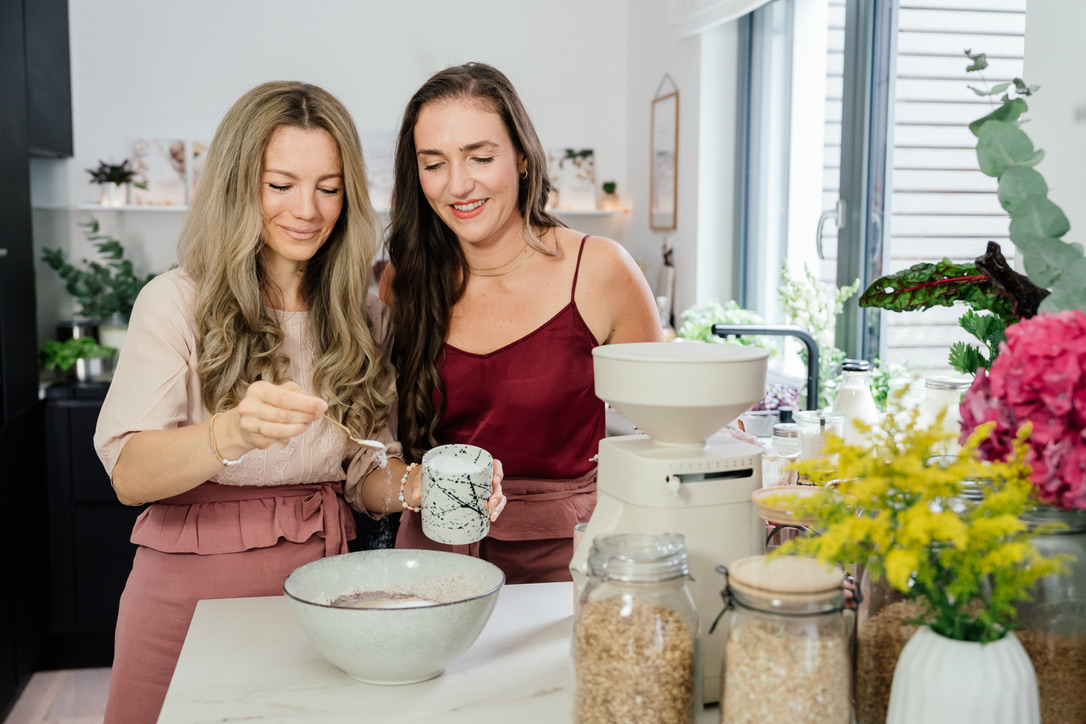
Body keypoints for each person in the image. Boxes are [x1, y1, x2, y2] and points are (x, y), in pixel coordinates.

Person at [93, 80, 506, 723]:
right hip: (188, 600)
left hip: (326, 600)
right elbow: (128, 475)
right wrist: (229, 434)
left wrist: (415, 487)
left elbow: (367, 472)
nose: (307, 210)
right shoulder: (175, 301)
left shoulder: (361, 314)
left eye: (329, 186)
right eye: (280, 184)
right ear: (237, 186)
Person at [382, 63, 662, 584]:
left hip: (565, 561)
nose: (458, 185)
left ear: (523, 159)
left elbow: (664, 430)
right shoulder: (406, 279)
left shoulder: (599, 270)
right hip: (431, 558)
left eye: (481, 157)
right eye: (433, 163)